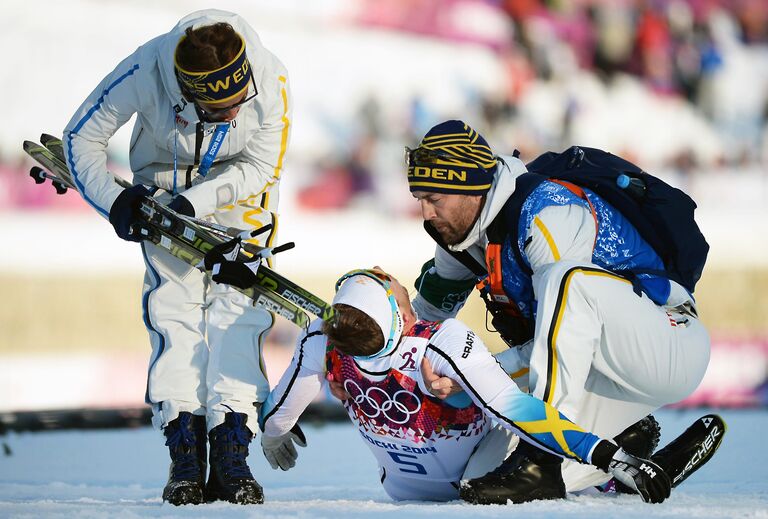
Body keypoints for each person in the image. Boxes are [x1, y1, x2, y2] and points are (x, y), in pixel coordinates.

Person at [406, 120, 710, 503]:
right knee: (474, 478)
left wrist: (471, 373)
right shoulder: (457, 236)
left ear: (471, 187)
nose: (425, 213)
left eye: (435, 198)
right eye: (419, 198)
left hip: (666, 342)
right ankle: (624, 450)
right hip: (595, 367)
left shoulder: (547, 212)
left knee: (567, 280)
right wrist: (362, 347)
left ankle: (542, 460)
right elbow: (421, 327)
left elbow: (564, 323)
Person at [63, 9, 292, 506]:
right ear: (186, 95)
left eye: (239, 102)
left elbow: (261, 165)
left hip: (241, 200)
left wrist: (197, 204)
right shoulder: (146, 70)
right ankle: (184, 450)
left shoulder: (271, 77)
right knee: (175, 315)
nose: (233, 113)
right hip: (162, 192)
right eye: (219, 108)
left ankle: (233, 448)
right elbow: (80, 136)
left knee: (239, 318)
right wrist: (113, 200)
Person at [258, 268, 671, 504]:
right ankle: (607, 468)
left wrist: (274, 435)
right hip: (479, 469)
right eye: (403, 295)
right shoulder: (440, 342)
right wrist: (607, 455)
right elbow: (518, 411)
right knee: (532, 370)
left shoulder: (323, 341)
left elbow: (276, 419)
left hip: (403, 489)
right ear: (398, 314)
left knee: (489, 380)